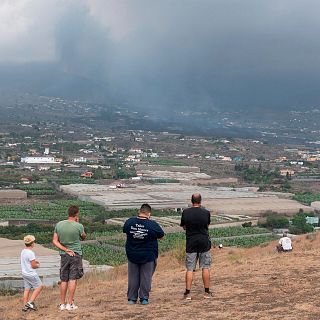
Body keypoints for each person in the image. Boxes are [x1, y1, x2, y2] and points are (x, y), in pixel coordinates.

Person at [123, 203, 165, 305]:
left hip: (132, 254)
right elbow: (161, 235)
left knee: (133, 277)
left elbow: (125, 231)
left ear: (139, 211)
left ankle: (132, 299)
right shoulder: (152, 225)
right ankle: (144, 298)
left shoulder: (129, 222)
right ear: (149, 214)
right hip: (148, 255)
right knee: (146, 277)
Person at [52, 205, 86, 311]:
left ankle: (62, 304)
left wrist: (65, 249)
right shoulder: (79, 226)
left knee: (64, 279)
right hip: (75, 254)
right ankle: (70, 304)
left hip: (64, 255)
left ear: (68, 213)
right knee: (72, 279)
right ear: (76, 214)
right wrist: (78, 223)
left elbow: (54, 241)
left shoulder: (59, 224)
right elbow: (83, 237)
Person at [180, 193, 212, 300]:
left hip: (191, 242)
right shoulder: (206, 212)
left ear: (191, 201)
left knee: (190, 268)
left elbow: (184, 227)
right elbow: (207, 226)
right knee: (205, 267)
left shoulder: (185, 212)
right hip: (204, 241)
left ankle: (188, 293)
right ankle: (207, 292)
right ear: (200, 201)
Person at [20, 235, 43, 312]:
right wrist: (38, 265)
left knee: (27, 289)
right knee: (39, 286)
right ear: (32, 243)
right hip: (31, 274)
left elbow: (26, 261)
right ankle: (29, 303)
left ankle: (24, 307)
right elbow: (33, 266)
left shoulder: (23, 251)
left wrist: (34, 262)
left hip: (24, 273)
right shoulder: (31, 253)